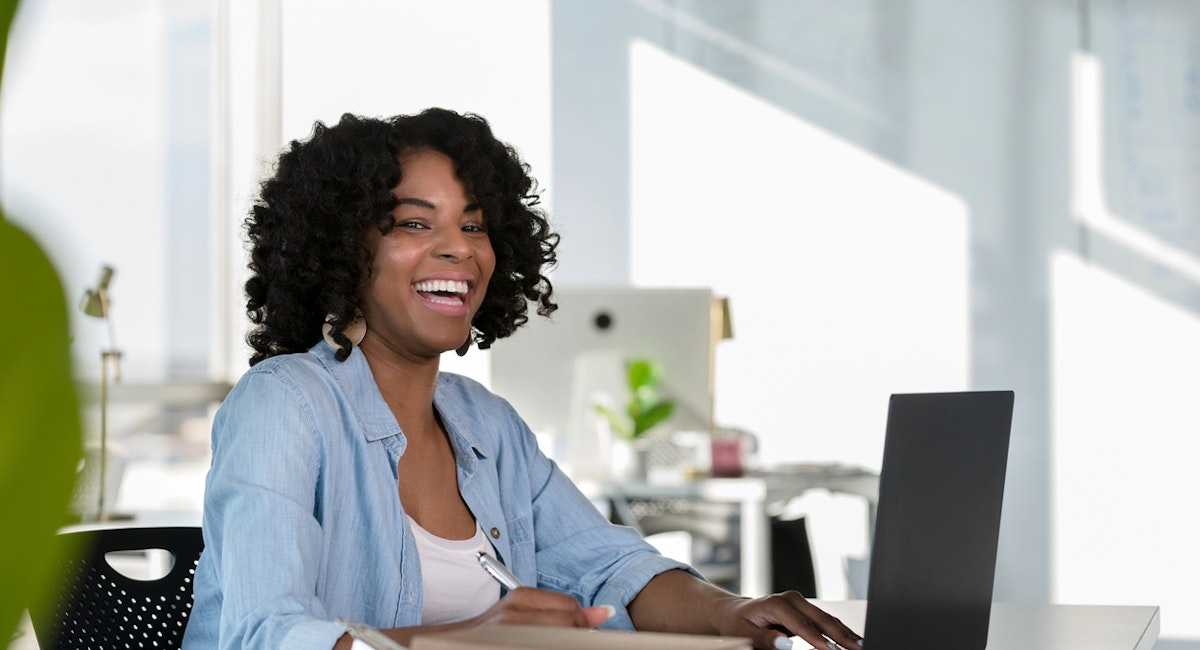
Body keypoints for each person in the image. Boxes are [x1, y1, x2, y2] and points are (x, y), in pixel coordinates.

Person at [183, 108, 862, 650]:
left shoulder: (487, 425)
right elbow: (262, 635)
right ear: (340, 249)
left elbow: (613, 569)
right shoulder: (284, 404)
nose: (459, 248)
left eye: (474, 225)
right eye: (416, 223)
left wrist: (732, 613)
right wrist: (469, 641)